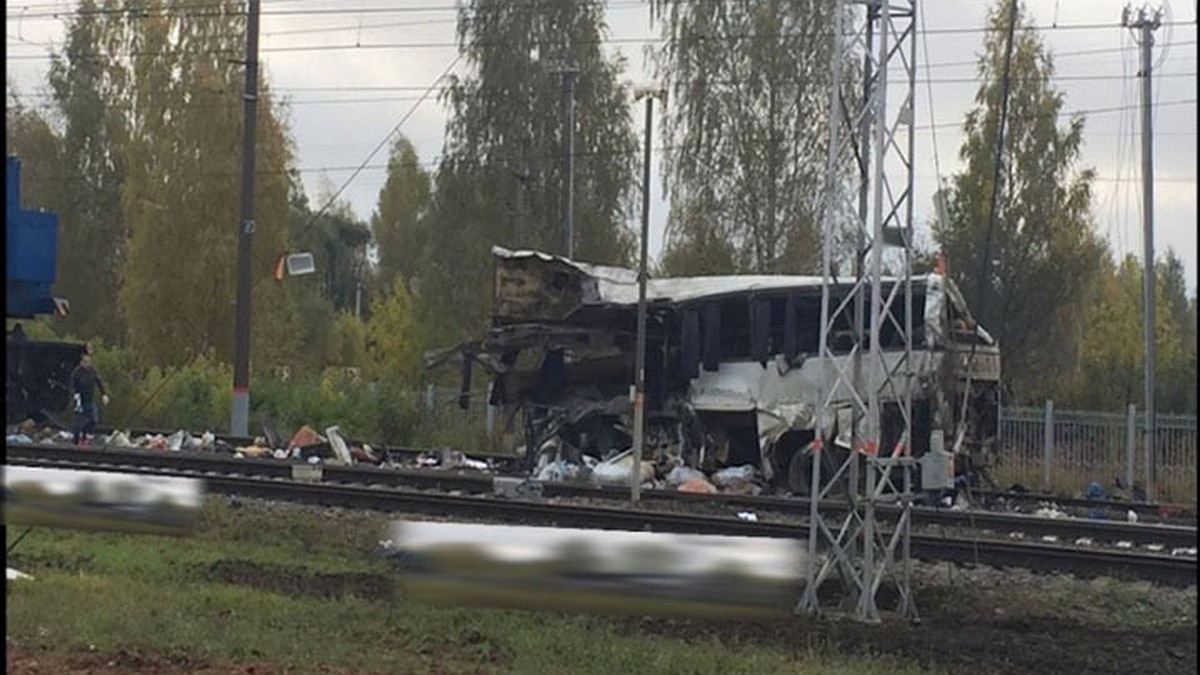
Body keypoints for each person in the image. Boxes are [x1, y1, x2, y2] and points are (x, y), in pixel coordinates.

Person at [69, 353, 109, 445]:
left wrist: (104, 394)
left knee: (93, 419)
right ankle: (76, 440)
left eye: (88, 362)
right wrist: (74, 394)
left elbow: (98, 381)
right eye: (85, 362)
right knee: (79, 421)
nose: (87, 364)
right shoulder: (77, 373)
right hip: (79, 400)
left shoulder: (92, 371)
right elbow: (71, 385)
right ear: (81, 362)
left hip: (89, 399)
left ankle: (84, 434)